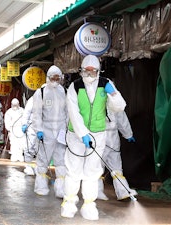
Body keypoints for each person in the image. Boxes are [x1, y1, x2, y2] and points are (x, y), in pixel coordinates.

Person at [62, 55, 126, 220]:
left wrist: (114, 94)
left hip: (98, 134)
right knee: (74, 170)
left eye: (93, 70)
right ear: (81, 70)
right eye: (86, 70)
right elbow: (73, 112)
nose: (89, 73)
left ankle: (89, 205)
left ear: (98, 70)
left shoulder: (106, 84)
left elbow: (119, 107)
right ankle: (69, 203)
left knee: (92, 171)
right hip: (76, 136)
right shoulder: (74, 87)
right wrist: (83, 134)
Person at [32, 65, 68, 198]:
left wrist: (66, 129)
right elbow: (36, 114)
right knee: (43, 159)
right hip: (46, 130)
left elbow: (67, 112)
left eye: (57, 78)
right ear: (48, 77)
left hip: (60, 131)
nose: (55, 80)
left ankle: (61, 189)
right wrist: (39, 129)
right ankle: (40, 187)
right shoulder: (40, 92)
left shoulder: (63, 91)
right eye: (53, 77)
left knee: (61, 160)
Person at [97, 110, 138, 201]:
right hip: (101, 136)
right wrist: (128, 134)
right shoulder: (111, 99)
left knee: (113, 166)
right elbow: (122, 119)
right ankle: (97, 192)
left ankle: (122, 192)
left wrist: (128, 134)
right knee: (100, 166)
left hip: (108, 137)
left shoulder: (113, 100)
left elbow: (121, 117)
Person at [21, 96, 37, 175]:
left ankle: (39, 167)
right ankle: (28, 166)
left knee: (40, 149)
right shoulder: (33, 99)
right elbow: (27, 112)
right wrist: (24, 124)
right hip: (32, 127)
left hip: (44, 128)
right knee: (29, 147)